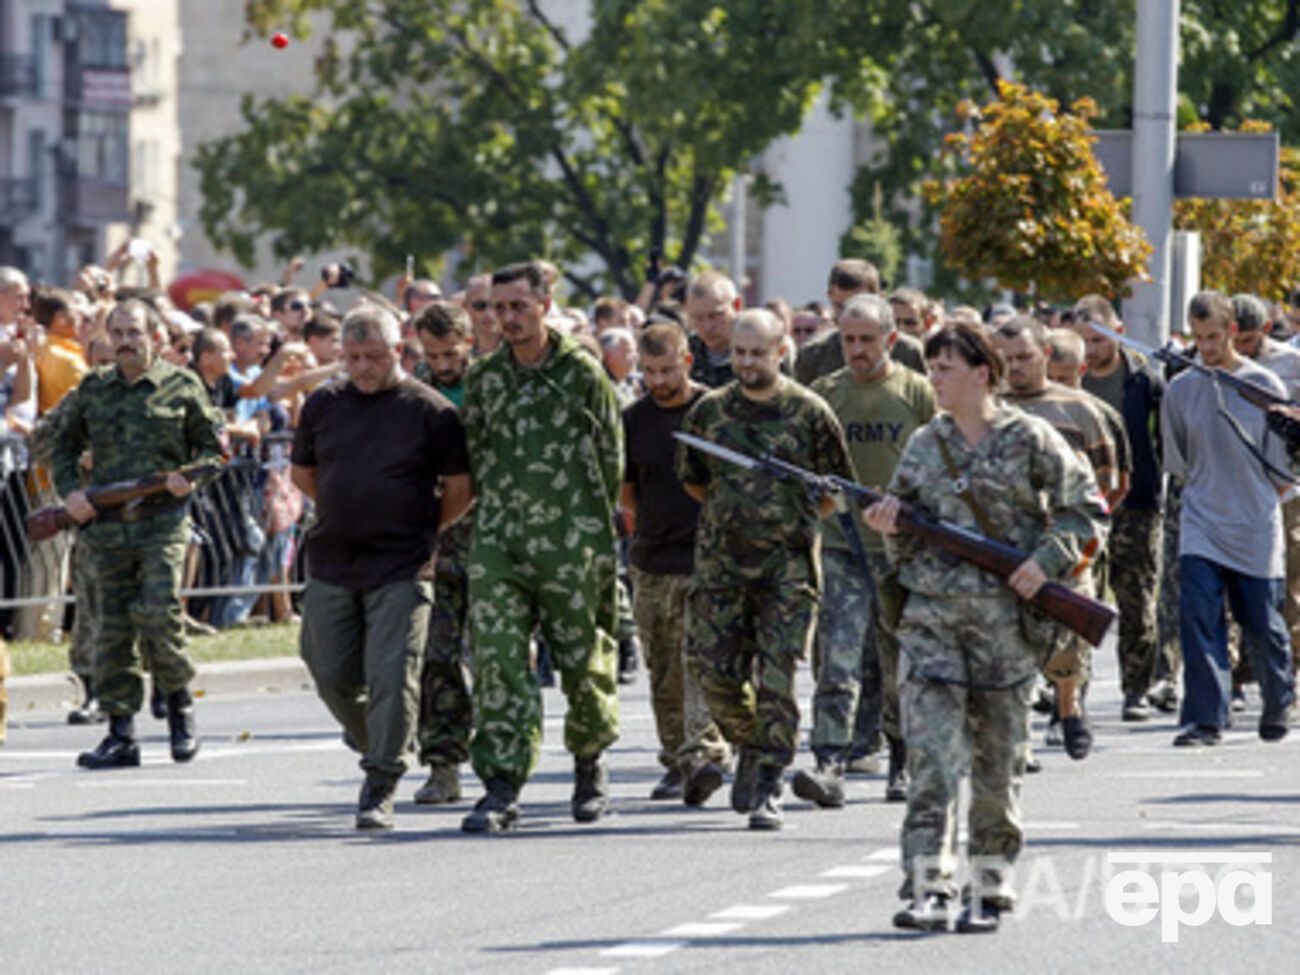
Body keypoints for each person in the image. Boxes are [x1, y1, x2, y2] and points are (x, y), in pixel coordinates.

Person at [864, 322, 1107, 933]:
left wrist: (1043, 561)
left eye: (945, 368)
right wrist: (888, 522)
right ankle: (928, 889)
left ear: (982, 372)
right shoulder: (925, 444)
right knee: (932, 767)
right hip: (931, 631)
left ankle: (991, 888)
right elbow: (901, 517)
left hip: (1005, 631)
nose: (935, 380)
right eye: (930, 368)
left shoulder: (1031, 439)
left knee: (998, 771)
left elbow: (1086, 509)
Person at [291, 304, 471, 829]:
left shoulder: (430, 411)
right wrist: (346, 505)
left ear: (399, 352)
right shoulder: (324, 403)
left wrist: (421, 528)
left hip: (403, 565)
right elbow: (304, 473)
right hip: (334, 559)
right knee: (327, 670)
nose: (364, 367)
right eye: (353, 358)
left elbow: (460, 490)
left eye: (375, 356)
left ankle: (382, 780)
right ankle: (378, 734)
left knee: (393, 675)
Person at [460, 261, 624, 833]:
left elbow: (611, 458)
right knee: (499, 660)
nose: (505, 319)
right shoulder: (485, 379)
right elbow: (476, 455)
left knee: (582, 659)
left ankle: (589, 763)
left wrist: (597, 540)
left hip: (572, 543)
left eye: (517, 307)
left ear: (544, 304)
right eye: (495, 308)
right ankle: (502, 784)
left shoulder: (581, 373)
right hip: (502, 541)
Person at [678, 308, 854, 830]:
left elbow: (836, 491)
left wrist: (788, 522)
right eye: (739, 351)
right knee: (715, 675)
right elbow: (695, 481)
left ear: (782, 352)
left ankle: (768, 781)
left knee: (778, 679)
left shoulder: (811, 412)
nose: (747, 362)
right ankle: (752, 750)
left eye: (758, 352)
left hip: (787, 572)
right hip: (721, 569)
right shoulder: (709, 412)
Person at [49, 299, 225, 769]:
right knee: (111, 628)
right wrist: (71, 495)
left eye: (135, 332)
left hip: (162, 524)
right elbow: (58, 446)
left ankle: (180, 707)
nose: (127, 341)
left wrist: (189, 476)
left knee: (159, 613)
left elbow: (214, 451)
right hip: (106, 528)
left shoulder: (182, 387)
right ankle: (120, 731)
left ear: (156, 337)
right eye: (119, 333)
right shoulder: (93, 389)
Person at [794, 294, 935, 810]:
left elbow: (943, 462)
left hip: (900, 549)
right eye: (848, 340)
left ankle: (902, 756)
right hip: (840, 546)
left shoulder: (917, 393)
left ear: (890, 340)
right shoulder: (825, 395)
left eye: (867, 340)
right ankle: (830, 758)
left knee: (900, 656)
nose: (856, 350)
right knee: (838, 654)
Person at [1162, 291, 1297, 746]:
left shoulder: (1263, 388)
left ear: (1233, 332)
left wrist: (1260, 500)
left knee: (1261, 622)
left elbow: (1282, 471)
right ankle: (1205, 718)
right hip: (1202, 520)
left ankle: (1279, 697)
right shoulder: (1181, 389)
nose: (1207, 347)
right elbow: (1178, 461)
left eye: (1214, 337)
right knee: (1198, 616)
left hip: (1254, 521)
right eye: (1198, 339)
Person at [995, 315, 1123, 758]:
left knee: (1066, 642)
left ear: (1046, 355)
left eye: (1025, 358)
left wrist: (1079, 539)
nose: (1016, 368)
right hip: (1007, 544)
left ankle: (1069, 708)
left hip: (1066, 543)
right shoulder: (990, 409)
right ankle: (1019, 739)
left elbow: (1109, 482)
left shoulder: (1080, 410)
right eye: (1007, 359)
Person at [621, 323, 730, 803]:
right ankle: (678, 760)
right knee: (662, 665)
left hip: (706, 558)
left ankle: (705, 754)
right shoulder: (633, 419)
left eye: (667, 369)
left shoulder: (715, 410)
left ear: (687, 361)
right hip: (651, 558)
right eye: (649, 371)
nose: (658, 380)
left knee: (699, 661)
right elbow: (625, 491)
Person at [1073, 296, 1166, 721]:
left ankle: (1136, 689)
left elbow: (1164, 438)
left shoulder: (1144, 380)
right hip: (1083, 505)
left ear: (1118, 334)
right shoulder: (1070, 382)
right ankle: (1074, 690)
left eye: (1098, 340)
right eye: (1084, 341)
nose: (1091, 350)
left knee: (1137, 597)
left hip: (1137, 502)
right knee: (1081, 598)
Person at [408, 300, 476, 805]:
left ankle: (504, 764)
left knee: (496, 659)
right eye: (433, 353)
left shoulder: (492, 387)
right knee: (438, 658)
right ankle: (444, 765)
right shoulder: (410, 391)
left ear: (468, 343)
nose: (443, 363)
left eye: (450, 352)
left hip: (491, 541)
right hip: (434, 543)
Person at [795, 259, 926, 385]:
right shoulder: (813, 355)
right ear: (830, 295)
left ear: (878, 297)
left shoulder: (907, 352)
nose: (850, 317)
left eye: (859, 308)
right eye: (841, 307)